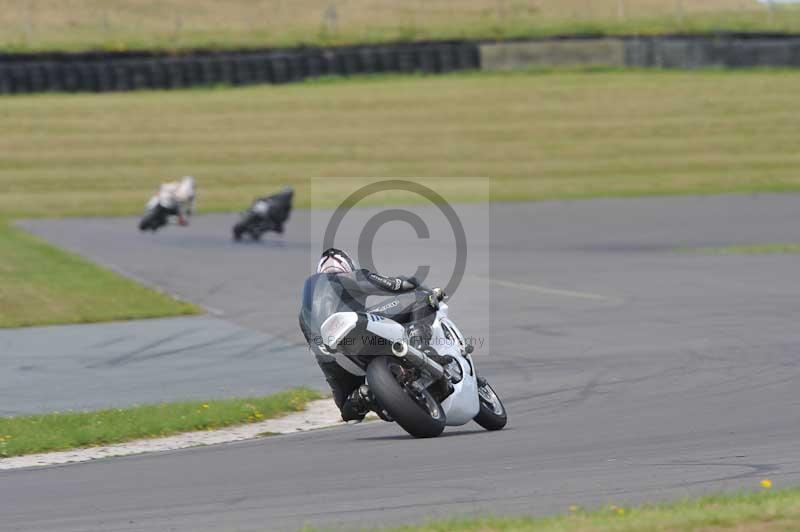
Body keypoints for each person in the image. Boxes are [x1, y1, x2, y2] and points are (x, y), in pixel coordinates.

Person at [299, 248, 443, 422]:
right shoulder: (350, 277)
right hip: (355, 327)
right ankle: (423, 349)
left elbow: (314, 344)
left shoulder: (303, 313)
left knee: (348, 411)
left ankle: (365, 396)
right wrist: (420, 285)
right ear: (346, 265)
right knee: (421, 298)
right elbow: (396, 285)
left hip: (331, 356)